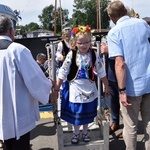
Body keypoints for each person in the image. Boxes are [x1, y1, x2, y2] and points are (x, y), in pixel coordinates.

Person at [0, 15, 57, 150]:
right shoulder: (17, 50)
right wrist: (50, 90)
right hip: (18, 112)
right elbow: (34, 79)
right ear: (11, 31)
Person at [54, 25, 110, 144]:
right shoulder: (71, 55)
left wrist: (107, 86)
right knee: (76, 112)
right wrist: (57, 88)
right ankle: (76, 133)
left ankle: (85, 132)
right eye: (81, 43)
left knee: (86, 111)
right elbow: (63, 72)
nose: (84, 45)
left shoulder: (93, 54)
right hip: (75, 87)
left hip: (89, 86)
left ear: (90, 42)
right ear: (75, 43)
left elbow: (101, 71)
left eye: (86, 42)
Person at [107, 1, 150, 150]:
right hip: (148, 82)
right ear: (126, 11)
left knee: (130, 127)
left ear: (111, 16)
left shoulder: (114, 32)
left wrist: (122, 91)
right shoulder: (142, 24)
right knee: (149, 124)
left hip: (132, 87)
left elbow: (120, 63)